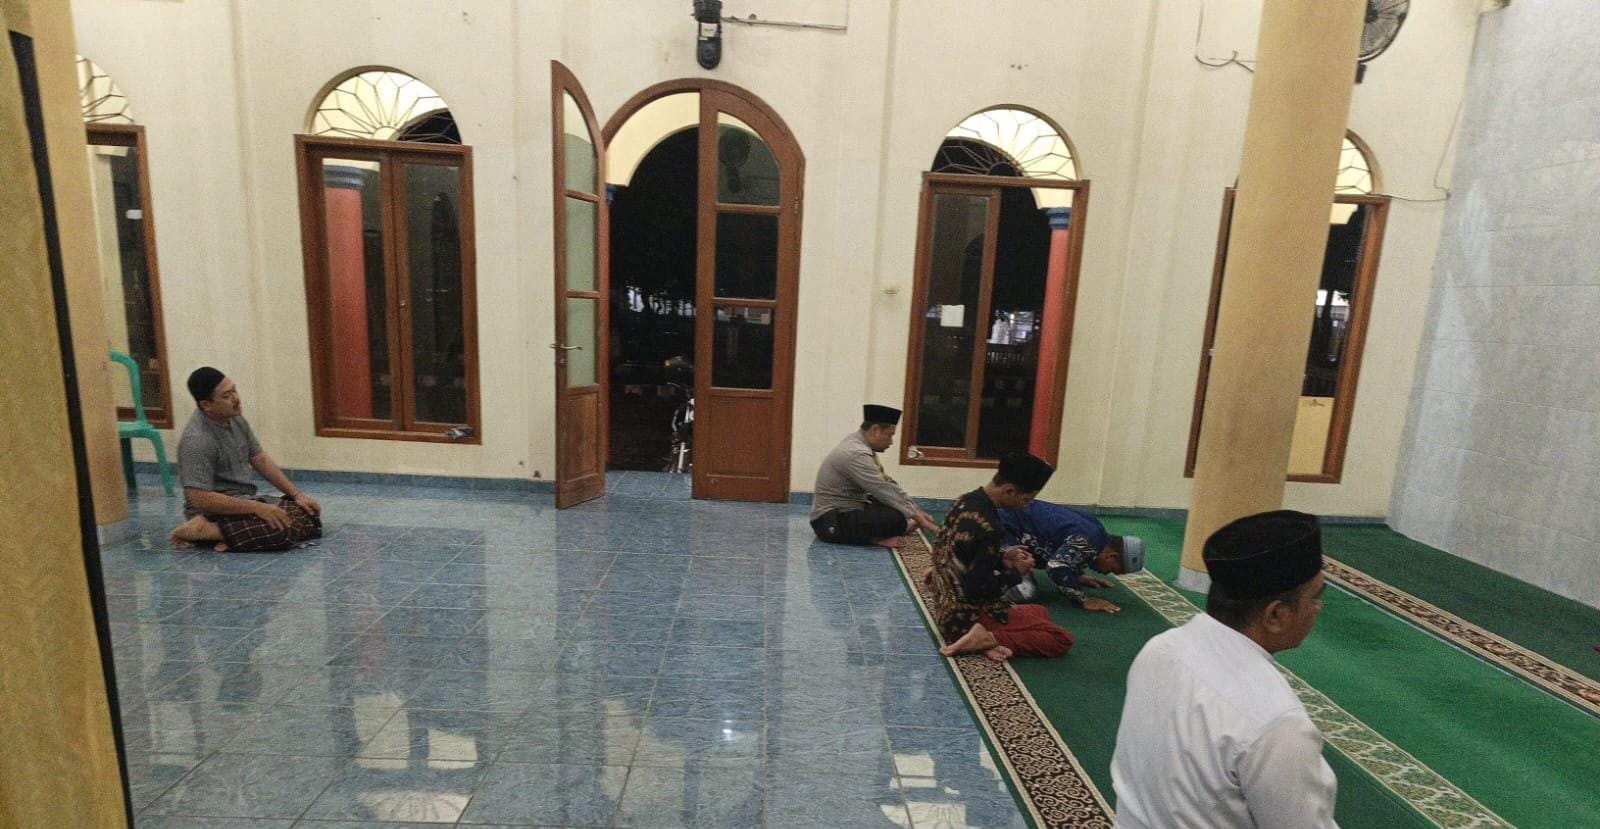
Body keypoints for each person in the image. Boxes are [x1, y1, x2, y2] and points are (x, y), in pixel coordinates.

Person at [1111, 510, 1336, 828]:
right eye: (1315, 598)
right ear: (1275, 615)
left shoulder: (1160, 649)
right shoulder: (1276, 722)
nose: (1318, 608)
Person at [927, 452, 1075, 662]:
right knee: (1060, 639)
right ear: (1009, 491)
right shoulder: (989, 526)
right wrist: (1016, 573)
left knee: (1038, 612)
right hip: (964, 618)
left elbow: (965, 553)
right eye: (1026, 499)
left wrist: (1002, 557)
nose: (1025, 506)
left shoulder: (965, 501)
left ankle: (984, 639)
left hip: (945, 609)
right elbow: (976, 590)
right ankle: (987, 639)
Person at [168, 367, 323, 552]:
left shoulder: (235, 418)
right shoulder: (197, 440)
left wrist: (297, 495)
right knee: (281, 532)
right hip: (213, 512)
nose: (236, 399)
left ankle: (225, 536)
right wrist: (257, 508)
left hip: (244, 501)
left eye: (234, 390)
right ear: (206, 405)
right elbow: (200, 499)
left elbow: (259, 459)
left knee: (309, 515)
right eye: (227, 396)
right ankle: (203, 530)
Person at [810, 404, 938, 547]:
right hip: (829, 522)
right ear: (875, 430)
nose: (891, 441)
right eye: (890, 435)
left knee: (897, 508)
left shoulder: (859, 445)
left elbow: (888, 484)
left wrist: (915, 509)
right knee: (895, 518)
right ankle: (875, 539)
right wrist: (920, 519)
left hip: (849, 511)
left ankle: (882, 532)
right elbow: (883, 489)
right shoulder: (855, 453)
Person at [998, 500, 1145, 613]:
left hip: (1008, 522)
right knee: (1026, 592)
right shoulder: (1089, 541)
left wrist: (1076, 576)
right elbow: (1055, 566)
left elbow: (1063, 545)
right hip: (1000, 530)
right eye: (1112, 570)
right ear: (1111, 557)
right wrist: (1083, 600)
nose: (1107, 573)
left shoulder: (1097, 530)